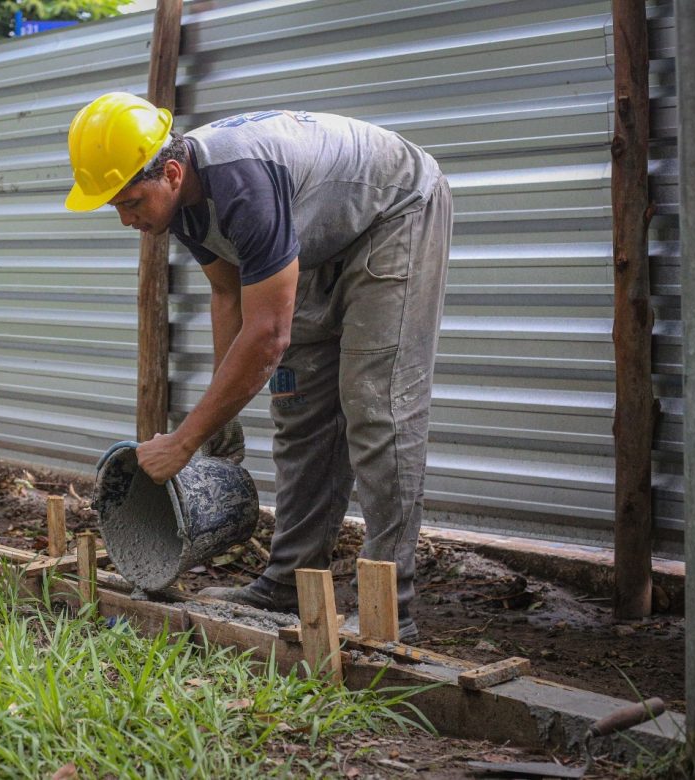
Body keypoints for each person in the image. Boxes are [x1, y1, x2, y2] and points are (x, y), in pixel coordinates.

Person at [64, 92, 452, 641]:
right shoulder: (181, 206)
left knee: (376, 409)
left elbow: (269, 336)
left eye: (130, 202)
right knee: (300, 411)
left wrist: (184, 441)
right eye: (116, 208)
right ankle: (288, 583)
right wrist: (221, 417)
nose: (126, 220)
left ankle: (390, 607)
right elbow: (228, 296)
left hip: (394, 214)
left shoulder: (240, 183)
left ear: (171, 173)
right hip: (318, 238)